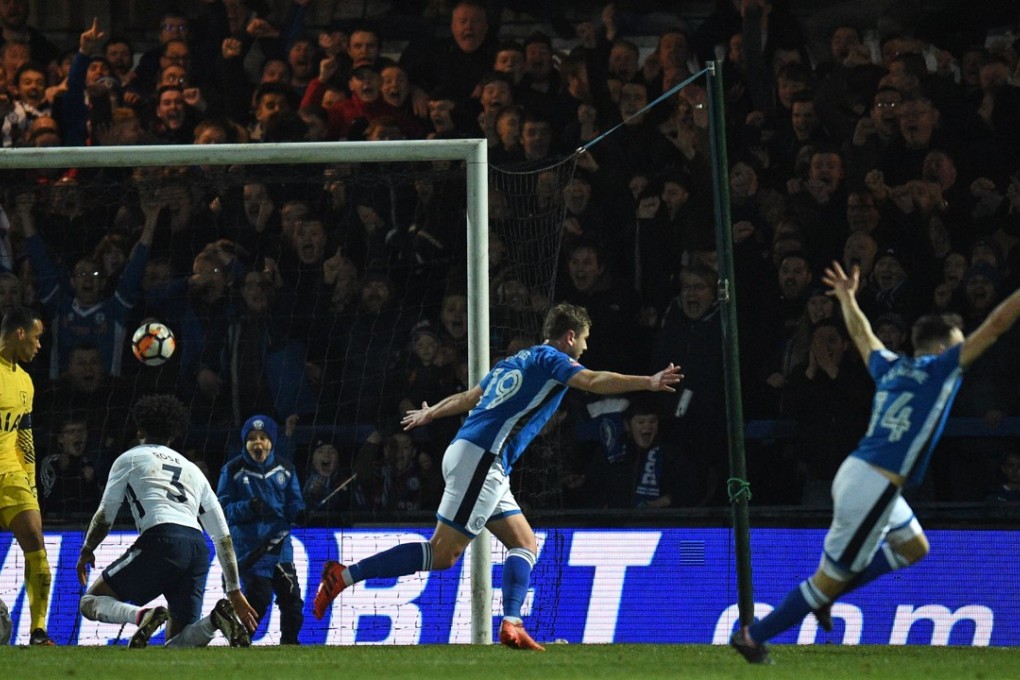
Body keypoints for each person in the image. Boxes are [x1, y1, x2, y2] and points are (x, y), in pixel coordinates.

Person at [311, 302, 682, 650]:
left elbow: (471, 397)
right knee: (442, 555)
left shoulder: (513, 362)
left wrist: (431, 414)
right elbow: (593, 380)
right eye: (584, 339)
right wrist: (647, 382)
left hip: (479, 458)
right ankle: (343, 575)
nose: (585, 348)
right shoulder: (554, 358)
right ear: (569, 336)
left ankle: (512, 623)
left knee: (524, 543)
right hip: (482, 460)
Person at [731, 260, 1020, 664]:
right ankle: (753, 635)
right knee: (824, 582)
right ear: (941, 348)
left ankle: (829, 596)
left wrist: (848, 298)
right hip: (874, 487)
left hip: (863, 474)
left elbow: (863, 335)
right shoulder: (941, 371)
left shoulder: (892, 366)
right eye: (956, 343)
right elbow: (996, 324)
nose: (961, 348)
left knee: (914, 547)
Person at [75, 395, 259, 648]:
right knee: (176, 646)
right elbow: (222, 536)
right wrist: (234, 590)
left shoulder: (129, 459)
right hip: (196, 549)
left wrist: (87, 550)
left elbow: (105, 515)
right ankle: (215, 620)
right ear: (172, 436)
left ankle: (142, 615)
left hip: (162, 539)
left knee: (90, 601)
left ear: (140, 430)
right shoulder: (193, 470)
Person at [216, 415, 305, 645]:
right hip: (251, 548)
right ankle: (241, 640)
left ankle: (291, 646)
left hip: (279, 545)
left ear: (271, 441)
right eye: (252, 438)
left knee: (292, 599)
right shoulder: (232, 470)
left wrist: (300, 513)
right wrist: (249, 507)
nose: (258, 443)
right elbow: (222, 509)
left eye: (263, 438)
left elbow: (294, 502)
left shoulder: (286, 469)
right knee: (259, 598)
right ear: (245, 443)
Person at [0, 306, 53, 645]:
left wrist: (30, 482)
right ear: (20, 333)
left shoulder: (24, 381)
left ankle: (38, 630)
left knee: (35, 542)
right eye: (35, 338)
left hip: (10, 474)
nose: (38, 346)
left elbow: (24, 436)